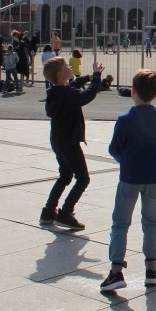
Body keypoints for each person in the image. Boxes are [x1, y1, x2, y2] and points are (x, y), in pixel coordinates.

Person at [99, 69, 156, 293]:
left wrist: (126, 161)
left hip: (130, 176)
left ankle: (116, 271)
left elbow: (114, 148)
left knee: (120, 222)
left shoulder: (125, 119)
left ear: (133, 91)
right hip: (153, 178)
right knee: (151, 222)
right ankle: (151, 269)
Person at [40, 56, 104, 230]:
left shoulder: (55, 92)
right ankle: (66, 213)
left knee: (65, 176)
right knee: (83, 178)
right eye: (67, 65)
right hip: (69, 142)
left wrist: (88, 77)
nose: (70, 66)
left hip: (58, 140)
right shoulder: (67, 94)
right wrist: (96, 79)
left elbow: (72, 86)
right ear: (61, 73)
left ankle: (48, 212)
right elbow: (88, 95)